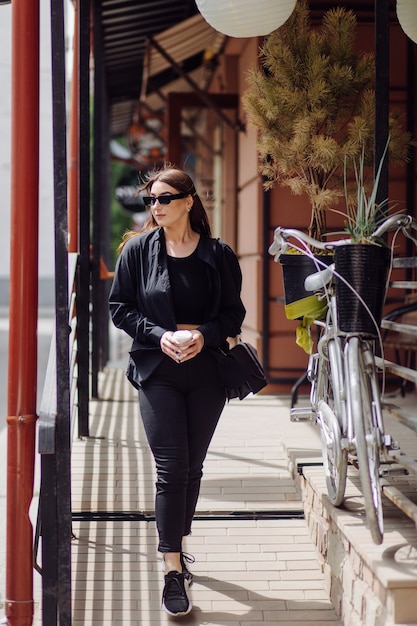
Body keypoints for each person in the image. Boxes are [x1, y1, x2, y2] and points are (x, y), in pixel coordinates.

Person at [109, 166, 246, 617]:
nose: (156, 207)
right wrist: (158, 334)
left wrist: (203, 336)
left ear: (189, 201)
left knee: (192, 466)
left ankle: (178, 542)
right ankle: (172, 569)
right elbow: (120, 308)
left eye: (165, 198)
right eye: (151, 199)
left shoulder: (218, 254)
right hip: (157, 369)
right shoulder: (137, 251)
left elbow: (232, 314)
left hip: (205, 369)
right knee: (171, 467)